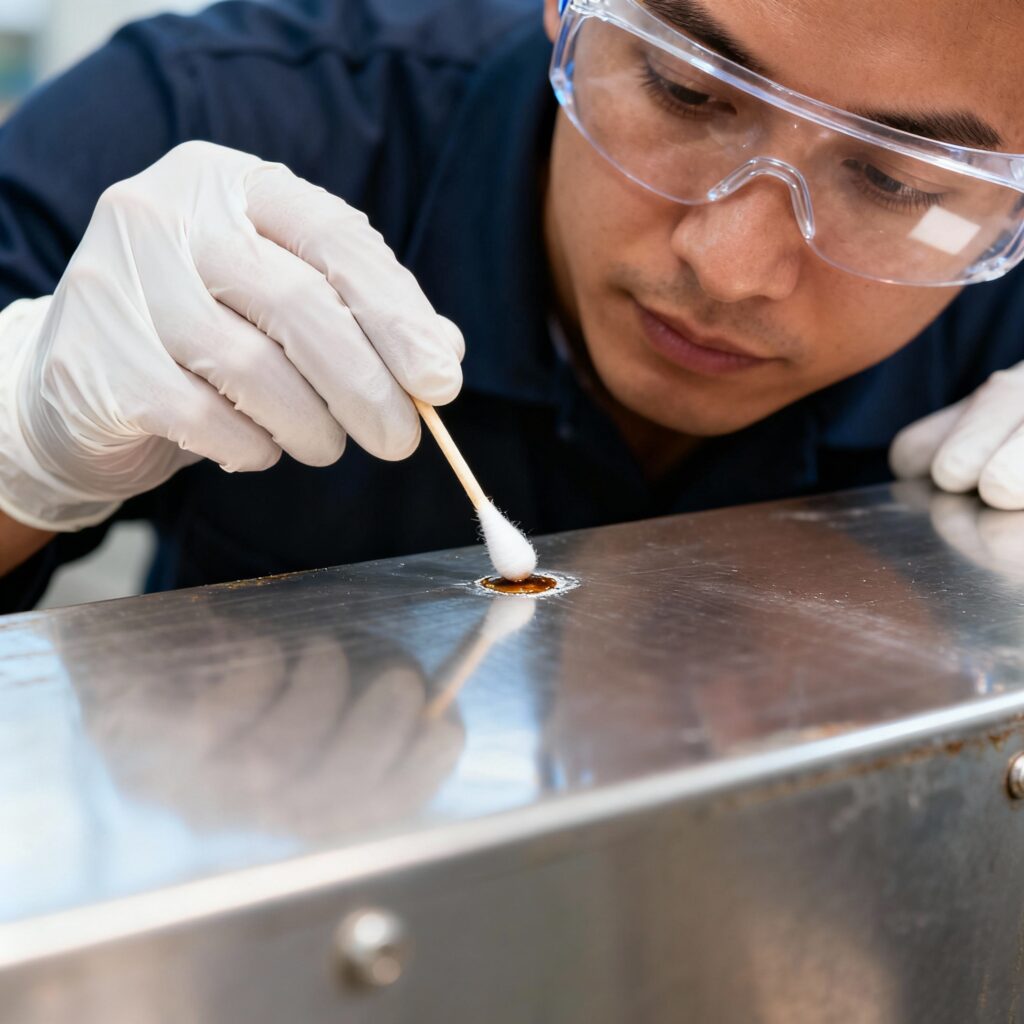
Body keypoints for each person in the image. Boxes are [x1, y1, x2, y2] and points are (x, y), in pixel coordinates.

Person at [2, 0, 1024, 613]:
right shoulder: (222, 114)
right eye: (680, 88)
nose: (729, 266)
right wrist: (25, 448)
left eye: (896, 183)